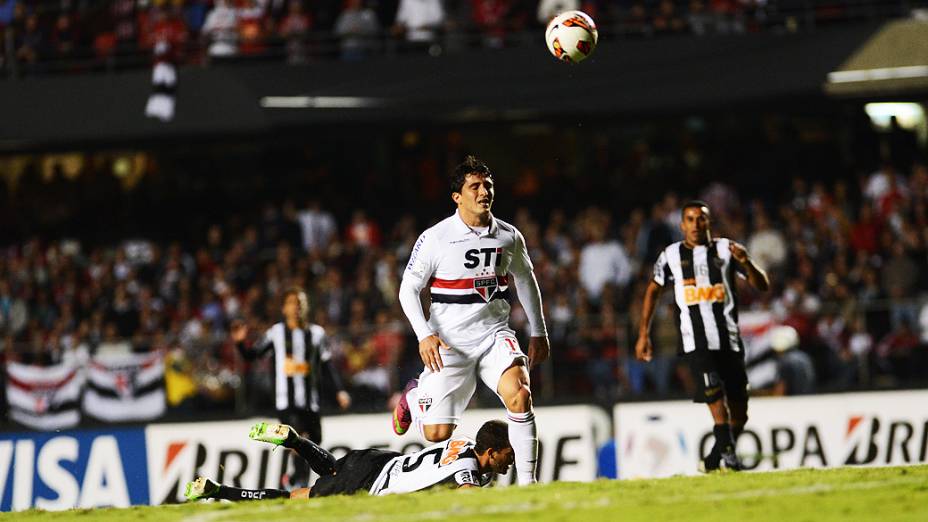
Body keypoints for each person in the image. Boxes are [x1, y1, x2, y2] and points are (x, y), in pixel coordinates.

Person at [394, 155, 549, 485]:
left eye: (488, 186)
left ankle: (529, 486)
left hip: (494, 334)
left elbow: (526, 280)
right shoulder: (436, 237)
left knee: (520, 395)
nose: (483, 192)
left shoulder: (509, 236)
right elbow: (408, 290)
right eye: (474, 186)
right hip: (448, 342)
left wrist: (539, 331)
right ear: (457, 197)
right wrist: (423, 334)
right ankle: (412, 397)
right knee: (437, 433)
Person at [634, 200, 769, 472]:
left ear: (709, 223)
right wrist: (643, 334)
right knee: (717, 401)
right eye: (691, 219)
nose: (696, 224)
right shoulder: (670, 256)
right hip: (696, 341)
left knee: (740, 413)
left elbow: (762, 286)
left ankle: (712, 460)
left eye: (701, 219)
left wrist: (748, 263)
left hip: (729, 340)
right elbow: (652, 291)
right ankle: (731, 462)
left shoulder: (727, 250)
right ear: (682, 225)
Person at [184, 419, 513, 500]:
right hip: (372, 482)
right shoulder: (466, 471)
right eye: (508, 456)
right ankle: (216, 491)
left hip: (379, 460)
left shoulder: (465, 442)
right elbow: (467, 491)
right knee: (291, 501)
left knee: (330, 469)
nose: (510, 463)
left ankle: (295, 440)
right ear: (490, 452)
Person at [231, 287, 351, 486]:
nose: (295, 307)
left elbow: (327, 364)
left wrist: (340, 391)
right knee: (298, 437)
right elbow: (252, 356)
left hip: (310, 400)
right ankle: (300, 483)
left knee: (313, 440)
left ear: (305, 307)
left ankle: (294, 478)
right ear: (284, 308)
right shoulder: (276, 333)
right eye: (291, 303)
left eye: (299, 303)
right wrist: (241, 343)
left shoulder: (316, 334)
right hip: (285, 400)